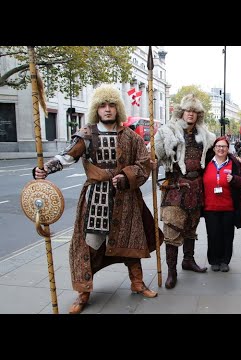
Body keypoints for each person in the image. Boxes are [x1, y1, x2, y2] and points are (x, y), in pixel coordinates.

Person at [33, 84, 159, 314]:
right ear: (97, 109)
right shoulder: (87, 134)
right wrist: (45, 169)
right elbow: (66, 157)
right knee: (89, 244)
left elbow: (143, 164)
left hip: (126, 199)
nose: (108, 109)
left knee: (131, 240)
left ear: (118, 108)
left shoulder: (131, 136)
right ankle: (83, 292)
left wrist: (125, 177)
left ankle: (137, 283)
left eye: (111, 105)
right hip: (96, 198)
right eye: (103, 105)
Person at [154, 94, 216, 289]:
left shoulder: (204, 136)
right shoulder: (168, 132)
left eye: (195, 112)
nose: (191, 114)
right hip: (175, 186)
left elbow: (215, 156)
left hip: (196, 187)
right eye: (188, 111)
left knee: (191, 227)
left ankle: (188, 261)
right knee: (172, 229)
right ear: (182, 112)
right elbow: (158, 153)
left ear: (198, 115)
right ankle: (171, 272)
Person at [203, 136, 241, 272]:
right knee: (212, 235)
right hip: (210, 207)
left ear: (228, 149)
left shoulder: (234, 164)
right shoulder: (205, 163)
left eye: (223, 146)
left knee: (227, 235)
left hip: (229, 207)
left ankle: (224, 261)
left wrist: (234, 179)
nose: (220, 149)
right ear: (214, 148)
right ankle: (214, 260)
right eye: (218, 146)